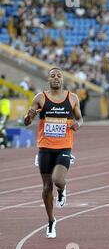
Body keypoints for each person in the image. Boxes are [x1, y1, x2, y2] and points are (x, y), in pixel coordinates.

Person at [24, 67, 83, 239]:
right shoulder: (40, 98)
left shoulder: (72, 98)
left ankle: (63, 189)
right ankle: (51, 221)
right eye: (52, 76)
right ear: (48, 80)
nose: (56, 78)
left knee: (57, 180)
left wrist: (78, 124)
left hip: (64, 147)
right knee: (46, 187)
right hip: (45, 148)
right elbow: (27, 122)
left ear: (62, 79)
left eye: (59, 76)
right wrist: (29, 116)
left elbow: (80, 118)